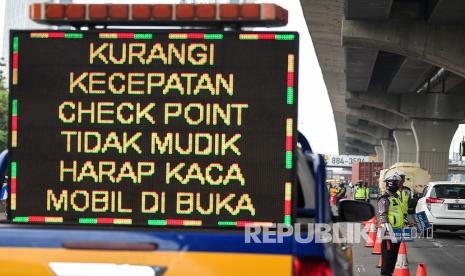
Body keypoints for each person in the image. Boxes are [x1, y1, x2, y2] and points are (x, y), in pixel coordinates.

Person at [378, 174, 409, 276]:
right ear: (388, 185)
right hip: (388, 230)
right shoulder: (384, 198)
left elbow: (399, 213)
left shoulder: (397, 197)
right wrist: (389, 231)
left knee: (394, 254)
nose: (396, 185)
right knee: (388, 255)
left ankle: (390, 272)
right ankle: (385, 273)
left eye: (397, 183)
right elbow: (383, 216)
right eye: (393, 183)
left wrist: (406, 222)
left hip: (398, 229)